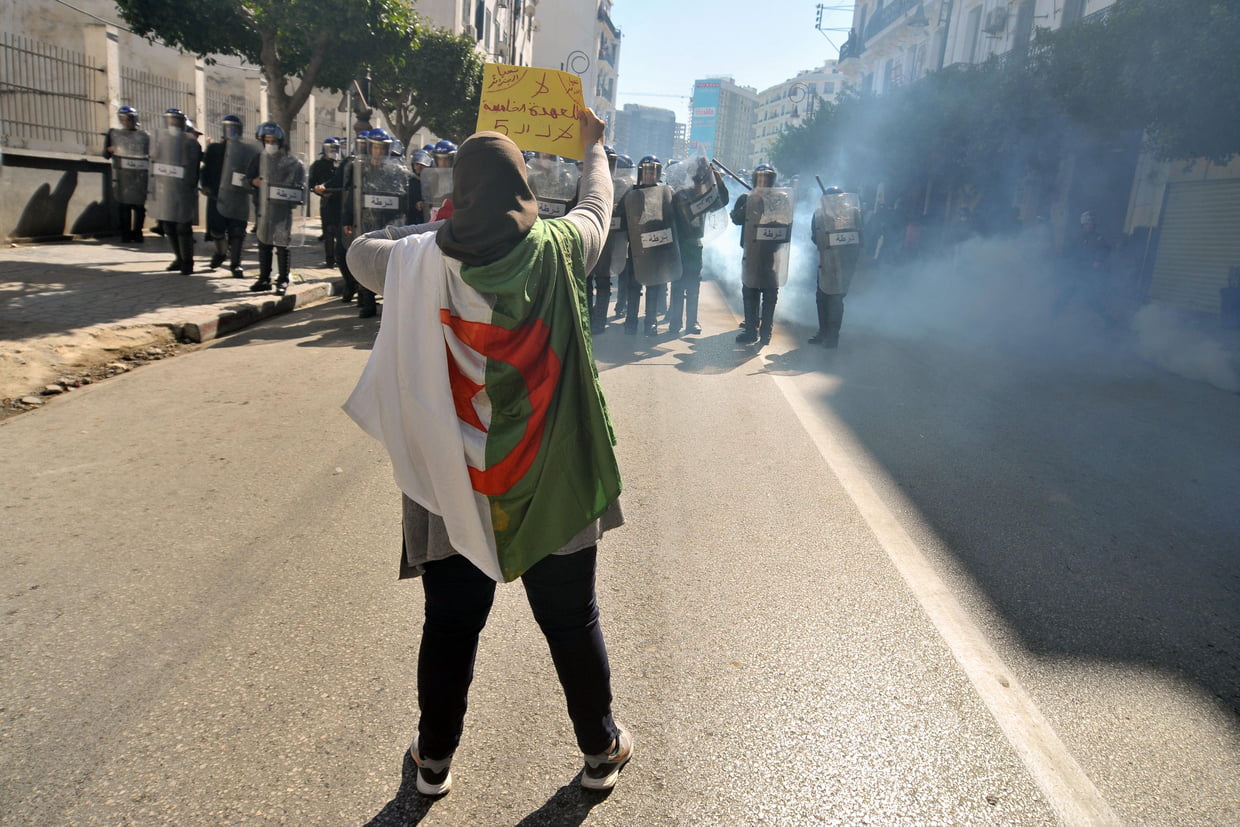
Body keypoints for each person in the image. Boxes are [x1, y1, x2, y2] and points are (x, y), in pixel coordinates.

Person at [343, 108, 631, 797]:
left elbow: (358, 251)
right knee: (571, 617)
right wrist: (596, 149)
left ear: (459, 191)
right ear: (525, 193)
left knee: (451, 624)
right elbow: (598, 205)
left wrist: (439, 232)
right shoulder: (563, 246)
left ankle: (433, 760)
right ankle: (600, 750)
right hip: (551, 478)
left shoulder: (409, 260)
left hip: (452, 484)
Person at [340, 128, 408, 317]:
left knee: (388, 259)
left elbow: (402, 196)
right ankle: (367, 302)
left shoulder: (395, 170)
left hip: (388, 220)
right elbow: (352, 194)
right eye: (375, 148)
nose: (378, 152)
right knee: (365, 257)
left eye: (381, 148)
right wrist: (348, 218)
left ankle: (390, 302)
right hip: (365, 218)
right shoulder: (359, 168)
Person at [731, 163, 791, 346]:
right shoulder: (746, 197)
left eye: (766, 178)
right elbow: (736, 219)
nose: (763, 181)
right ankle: (750, 331)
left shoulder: (780, 200)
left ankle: (766, 332)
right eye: (760, 178)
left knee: (770, 293)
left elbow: (786, 224)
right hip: (751, 253)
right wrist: (751, 202)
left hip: (772, 254)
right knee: (750, 291)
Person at [622, 155, 681, 336]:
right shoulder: (631, 193)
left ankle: (651, 322)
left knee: (654, 286)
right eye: (647, 172)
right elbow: (625, 220)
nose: (650, 175)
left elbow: (672, 218)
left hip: (656, 247)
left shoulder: (665, 193)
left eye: (653, 172)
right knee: (634, 285)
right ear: (641, 173)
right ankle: (631, 321)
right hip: (637, 248)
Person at [669, 157, 729, 335]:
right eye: (695, 176)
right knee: (678, 285)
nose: (697, 180)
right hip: (679, 244)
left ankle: (691, 323)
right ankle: (675, 322)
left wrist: (718, 179)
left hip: (695, 246)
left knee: (693, 286)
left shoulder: (706, 197)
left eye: (701, 177)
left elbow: (722, 200)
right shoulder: (680, 194)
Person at [246, 122, 306, 295]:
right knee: (264, 243)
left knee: (282, 245)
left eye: (273, 140)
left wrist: (293, 190)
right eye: (267, 140)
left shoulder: (291, 162)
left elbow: (299, 187)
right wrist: (253, 182)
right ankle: (264, 278)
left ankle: (283, 279)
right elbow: (246, 179)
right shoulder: (258, 159)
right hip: (262, 209)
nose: (270, 144)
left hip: (281, 210)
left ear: (280, 142)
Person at [200, 115, 255, 277]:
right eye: (229, 128)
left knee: (237, 231)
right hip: (218, 196)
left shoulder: (247, 151)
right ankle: (221, 252)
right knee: (216, 230)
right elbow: (205, 170)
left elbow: (252, 171)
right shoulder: (215, 149)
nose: (232, 131)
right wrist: (205, 186)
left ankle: (236, 265)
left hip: (238, 196)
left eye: (235, 128)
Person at [809, 186, 864, 348]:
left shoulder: (852, 215)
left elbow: (858, 238)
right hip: (825, 262)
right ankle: (823, 332)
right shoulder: (819, 216)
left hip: (844, 263)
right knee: (822, 298)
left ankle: (833, 337)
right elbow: (815, 237)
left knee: (835, 299)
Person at [150, 108, 202, 274]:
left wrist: (190, 186)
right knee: (168, 225)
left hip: (183, 191)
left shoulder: (191, 143)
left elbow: (193, 167)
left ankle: (187, 262)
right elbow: (154, 159)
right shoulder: (162, 140)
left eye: (176, 121)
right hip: (165, 189)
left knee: (183, 227)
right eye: (170, 121)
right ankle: (178, 258)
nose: (173, 124)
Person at [103, 105, 149, 243]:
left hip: (140, 177)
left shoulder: (144, 136)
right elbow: (105, 154)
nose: (126, 122)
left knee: (140, 208)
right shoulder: (114, 134)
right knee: (124, 207)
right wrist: (111, 149)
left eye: (128, 119)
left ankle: (138, 232)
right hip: (123, 177)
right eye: (122, 119)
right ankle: (126, 234)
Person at [310, 137, 344, 268]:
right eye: (331, 149)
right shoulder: (318, 166)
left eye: (336, 149)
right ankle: (330, 259)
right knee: (328, 231)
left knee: (340, 232)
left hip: (340, 201)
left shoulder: (342, 165)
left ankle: (340, 257)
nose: (333, 151)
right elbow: (311, 184)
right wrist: (319, 191)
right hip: (326, 202)